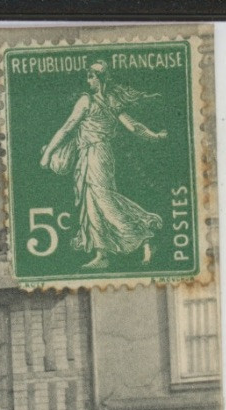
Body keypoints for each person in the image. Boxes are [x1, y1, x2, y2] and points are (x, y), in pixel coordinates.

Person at [40, 60, 168, 270]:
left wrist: (47, 154)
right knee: (93, 201)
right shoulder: (110, 101)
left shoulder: (87, 101)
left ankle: (143, 234)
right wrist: (155, 136)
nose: (88, 80)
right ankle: (103, 253)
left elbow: (66, 128)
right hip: (95, 155)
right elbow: (133, 127)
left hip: (95, 154)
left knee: (102, 199)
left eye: (91, 76)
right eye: (88, 76)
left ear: (100, 79)